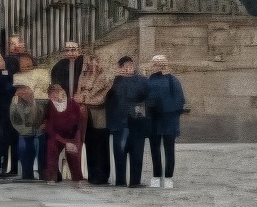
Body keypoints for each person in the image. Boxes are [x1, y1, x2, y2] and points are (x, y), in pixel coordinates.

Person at [144, 55, 189, 189]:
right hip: (153, 120)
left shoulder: (173, 80)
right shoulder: (149, 81)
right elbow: (144, 98)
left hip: (169, 120)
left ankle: (169, 177)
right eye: (155, 63)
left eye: (160, 63)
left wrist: (165, 109)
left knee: (169, 150)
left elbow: (179, 100)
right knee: (155, 149)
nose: (158, 65)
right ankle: (156, 176)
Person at [107, 55, 149, 189]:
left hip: (137, 123)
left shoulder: (141, 80)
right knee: (120, 153)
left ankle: (135, 181)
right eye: (125, 67)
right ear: (120, 68)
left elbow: (146, 97)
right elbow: (108, 102)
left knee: (137, 153)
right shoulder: (113, 82)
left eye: (130, 66)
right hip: (119, 124)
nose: (128, 69)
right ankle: (120, 181)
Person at [76, 53, 113, 185]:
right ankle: (92, 175)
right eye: (91, 62)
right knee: (90, 144)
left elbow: (100, 97)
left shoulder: (106, 77)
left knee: (101, 146)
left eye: (96, 62)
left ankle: (102, 176)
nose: (93, 65)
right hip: (86, 115)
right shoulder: (84, 75)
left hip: (100, 116)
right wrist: (83, 97)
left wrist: (85, 97)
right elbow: (78, 94)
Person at [44, 83, 86, 183]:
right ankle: (52, 176)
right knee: (51, 146)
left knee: (74, 153)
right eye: (52, 97)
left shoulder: (73, 104)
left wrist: (74, 142)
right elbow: (49, 128)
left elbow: (79, 126)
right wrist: (64, 142)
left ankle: (77, 178)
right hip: (57, 137)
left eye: (56, 95)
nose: (54, 99)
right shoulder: (49, 106)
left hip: (73, 137)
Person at [7, 82, 45, 179]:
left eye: (29, 93)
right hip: (24, 134)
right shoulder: (16, 104)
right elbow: (14, 121)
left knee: (39, 149)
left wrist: (39, 128)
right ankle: (27, 175)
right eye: (24, 93)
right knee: (25, 152)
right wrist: (26, 130)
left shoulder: (37, 103)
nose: (28, 95)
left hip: (36, 133)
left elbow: (39, 118)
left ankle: (41, 174)